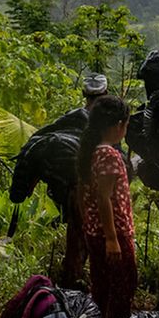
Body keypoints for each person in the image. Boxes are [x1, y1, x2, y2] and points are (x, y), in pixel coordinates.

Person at [35, 73, 109, 290]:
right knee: (99, 239)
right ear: (104, 93)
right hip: (96, 192)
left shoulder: (70, 118)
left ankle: (72, 286)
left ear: (84, 95)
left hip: (72, 190)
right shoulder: (106, 121)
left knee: (75, 241)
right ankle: (91, 289)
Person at [76, 94, 135, 318]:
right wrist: (112, 239)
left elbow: (82, 193)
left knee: (102, 285)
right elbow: (104, 198)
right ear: (119, 125)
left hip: (94, 231)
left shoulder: (89, 151)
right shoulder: (109, 154)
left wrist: (88, 223)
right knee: (123, 285)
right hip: (113, 232)